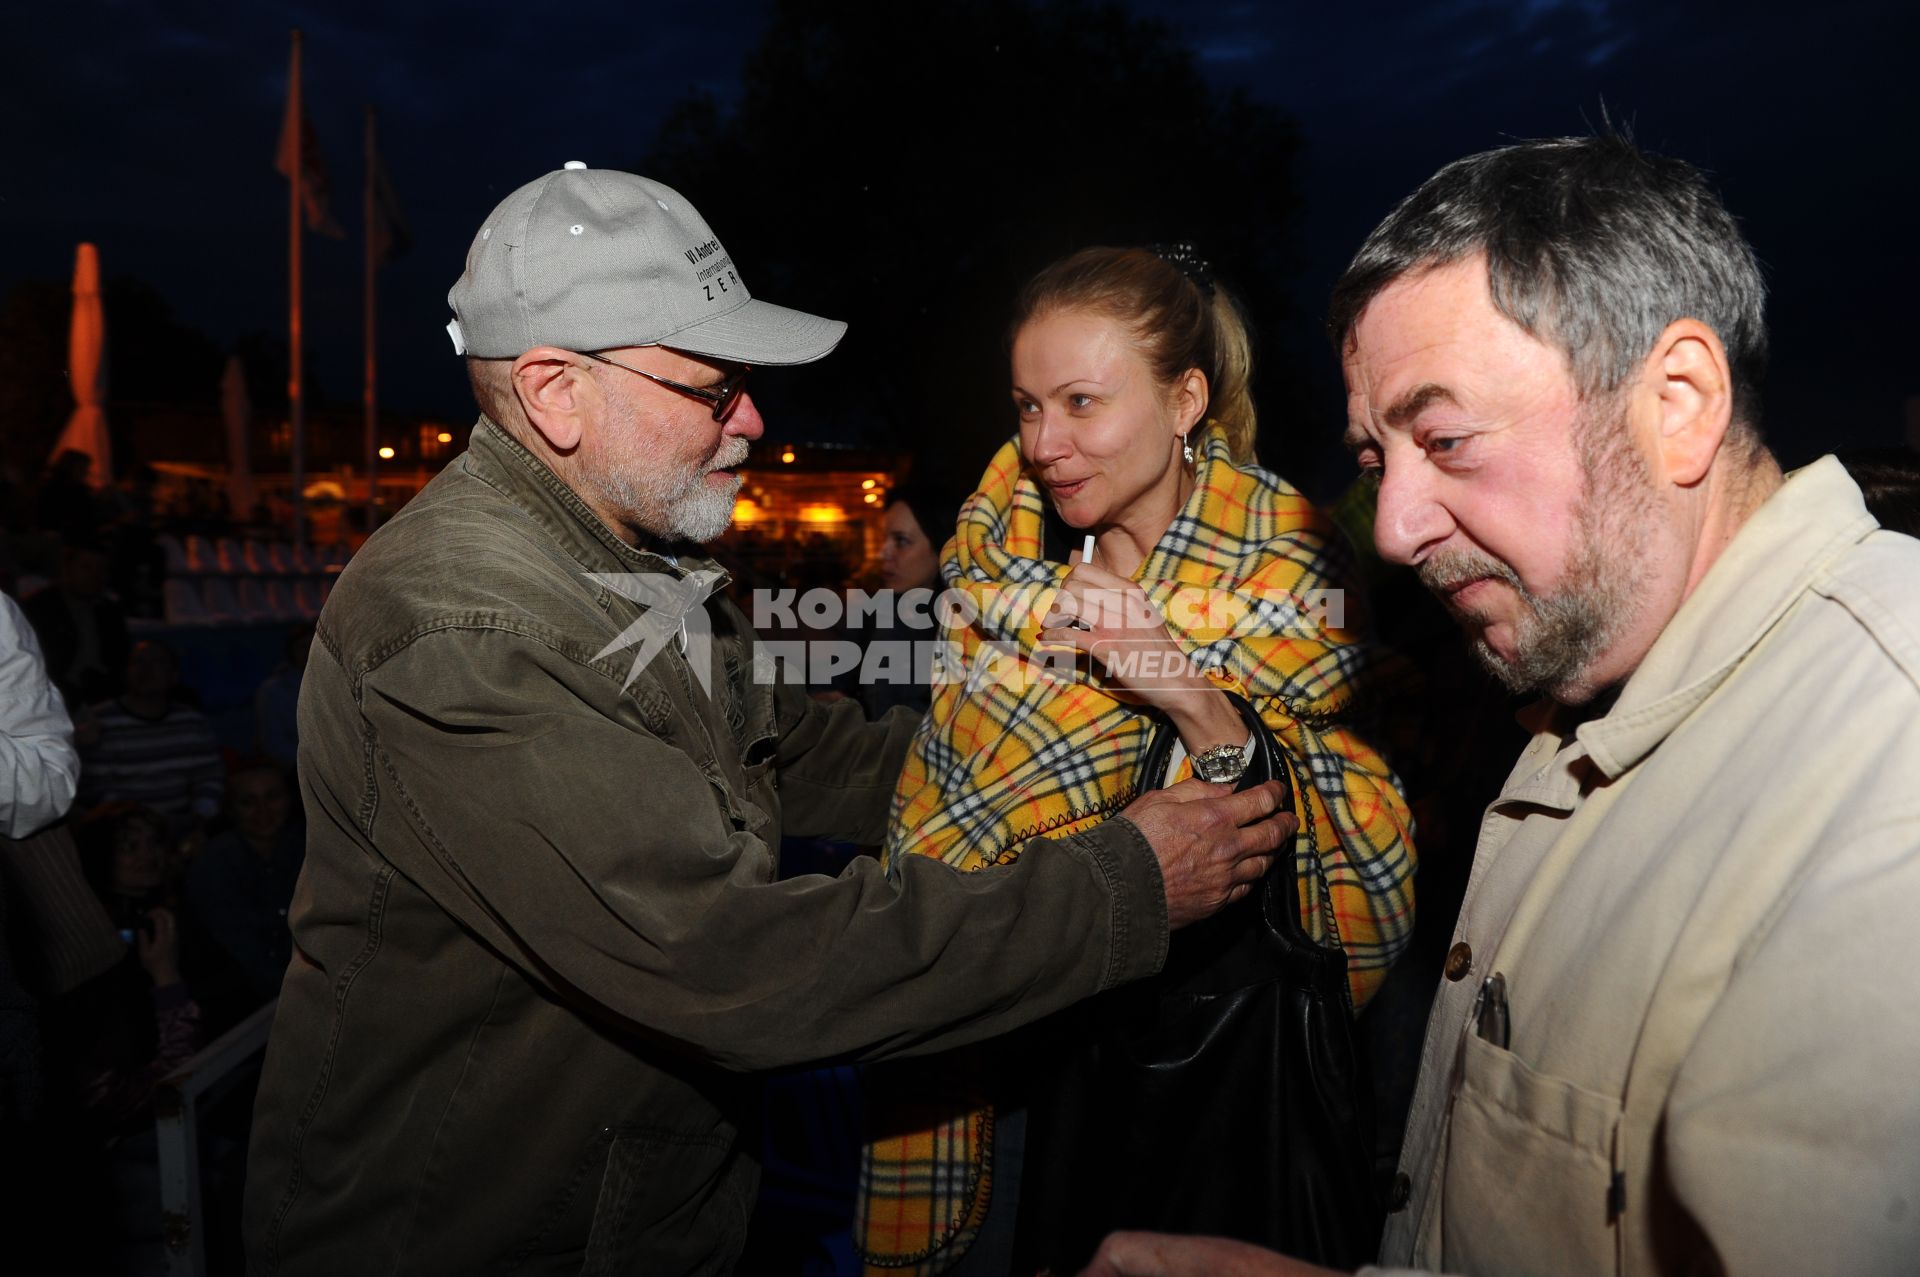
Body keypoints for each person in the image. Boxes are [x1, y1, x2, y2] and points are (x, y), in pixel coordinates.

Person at [243, 163, 1297, 1275]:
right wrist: (1120, 883)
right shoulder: (462, 629)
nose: (753, 418)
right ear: (556, 391)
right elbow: (730, 958)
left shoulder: (638, 560)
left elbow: (812, 754)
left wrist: (1091, 755)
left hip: (635, 1215)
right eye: (714, 387)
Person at [1089, 134, 1920, 1277]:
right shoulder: (1597, 681)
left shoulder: (1888, 762)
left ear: (1677, 403)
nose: (1392, 528)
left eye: (1445, 439)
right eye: (1381, 458)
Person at [857, 245, 1416, 1274]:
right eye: (1028, 406)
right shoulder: (993, 579)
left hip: (1191, 1089)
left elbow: (1358, 875)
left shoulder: (1291, 575)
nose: (1045, 442)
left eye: (1081, 402)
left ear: (1185, 398)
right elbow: (937, 824)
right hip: (982, 1067)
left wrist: (1189, 693)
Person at [185, 759, 303, 1008]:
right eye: (247, 802)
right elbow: (238, 948)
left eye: (272, 797)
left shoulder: (308, 847)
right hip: (239, 1004)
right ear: (230, 809)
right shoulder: (214, 863)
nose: (263, 810)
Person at [74, 640, 223, 833]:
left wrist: (200, 819)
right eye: (139, 662)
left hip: (180, 828)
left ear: (174, 675)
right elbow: (93, 791)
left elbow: (209, 776)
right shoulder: (97, 721)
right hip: (118, 831)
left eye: (157, 662)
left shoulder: (191, 722)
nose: (147, 669)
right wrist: (85, 747)